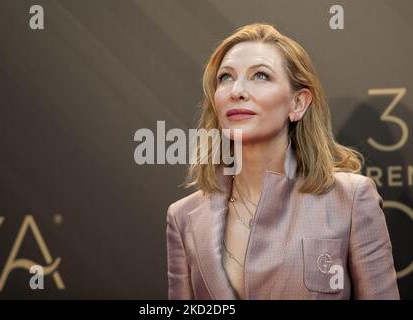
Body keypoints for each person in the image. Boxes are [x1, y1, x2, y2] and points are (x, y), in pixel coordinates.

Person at [166, 23, 399, 299]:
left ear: (298, 104)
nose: (236, 91)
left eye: (261, 76)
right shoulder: (183, 217)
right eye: (225, 78)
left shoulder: (350, 199)